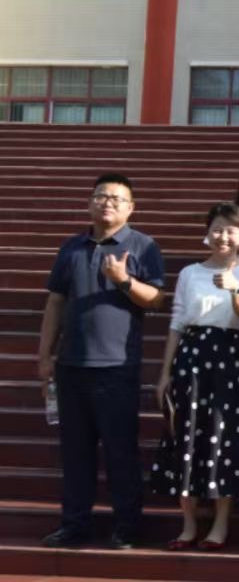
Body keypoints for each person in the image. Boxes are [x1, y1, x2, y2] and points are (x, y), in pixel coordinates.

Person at [38, 174, 165, 550]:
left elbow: (157, 300)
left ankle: (127, 526)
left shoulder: (143, 245)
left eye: (116, 198)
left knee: (120, 450)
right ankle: (74, 524)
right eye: (101, 196)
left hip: (116, 367)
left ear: (131, 208)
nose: (107, 203)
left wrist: (124, 280)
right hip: (71, 365)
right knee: (75, 452)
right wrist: (44, 355)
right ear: (90, 202)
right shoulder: (72, 247)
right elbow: (55, 302)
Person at [151, 204, 239, 551]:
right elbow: (177, 322)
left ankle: (220, 524)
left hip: (229, 359)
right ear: (207, 233)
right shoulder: (190, 273)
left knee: (222, 437)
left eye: (231, 230)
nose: (223, 236)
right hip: (191, 357)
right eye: (217, 229)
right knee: (184, 437)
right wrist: (165, 373)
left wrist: (234, 287)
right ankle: (188, 525)